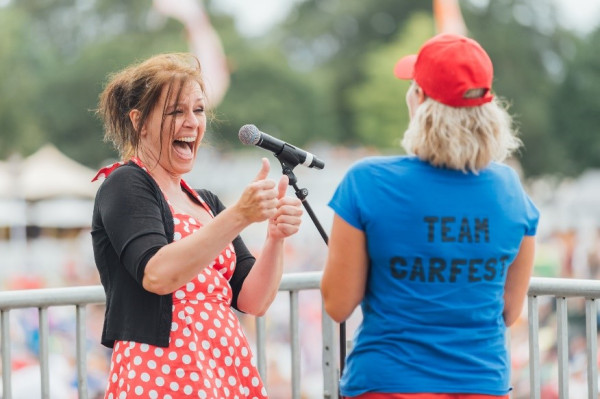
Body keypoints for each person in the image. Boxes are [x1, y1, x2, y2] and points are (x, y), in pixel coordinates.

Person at [321, 33, 540, 399]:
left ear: (420, 100)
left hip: (387, 383)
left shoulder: (367, 180)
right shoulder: (509, 188)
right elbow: (510, 311)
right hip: (483, 383)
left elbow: (338, 304)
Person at [91, 52, 303, 398]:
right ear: (139, 121)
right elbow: (157, 274)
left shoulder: (205, 200)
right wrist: (239, 216)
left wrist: (275, 236)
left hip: (224, 363)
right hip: (161, 368)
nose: (192, 122)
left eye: (198, 110)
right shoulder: (126, 184)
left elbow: (253, 301)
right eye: (176, 111)